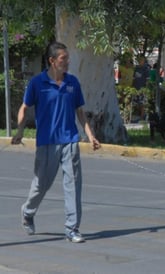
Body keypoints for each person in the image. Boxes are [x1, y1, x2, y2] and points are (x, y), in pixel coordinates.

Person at [11, 41, 101, 243]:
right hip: (47, 142)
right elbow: (25, 108)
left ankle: (72, 228)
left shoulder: (72, 83)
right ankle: (28, 211)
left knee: (73, 184)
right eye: (64, 59)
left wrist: (90, 134)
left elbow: (80, 111)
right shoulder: (37, 83)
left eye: (68, 58)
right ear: (52, 61)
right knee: (41, 185)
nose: (68, 62)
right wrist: (19, 130)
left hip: (70, 140)